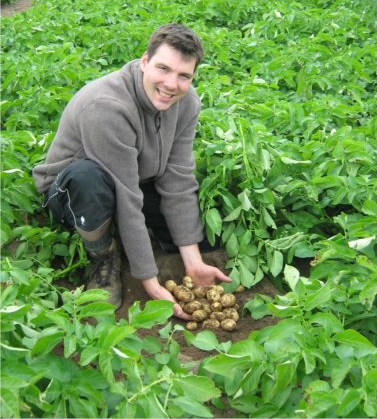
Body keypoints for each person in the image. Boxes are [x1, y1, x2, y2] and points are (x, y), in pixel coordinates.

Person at [32, 23, 230, 319]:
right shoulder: (106, 107)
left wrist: (193, 261)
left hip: (135, 176)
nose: (171, 84)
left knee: (201, 242)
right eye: (163, 68)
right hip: (72, 191)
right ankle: (103, 254)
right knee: (89, 181)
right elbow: (126, 196)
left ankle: (147, 241)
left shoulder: (186, 102)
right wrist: (150, 282)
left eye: (183, 76)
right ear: (144, 62)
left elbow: (177, 179)